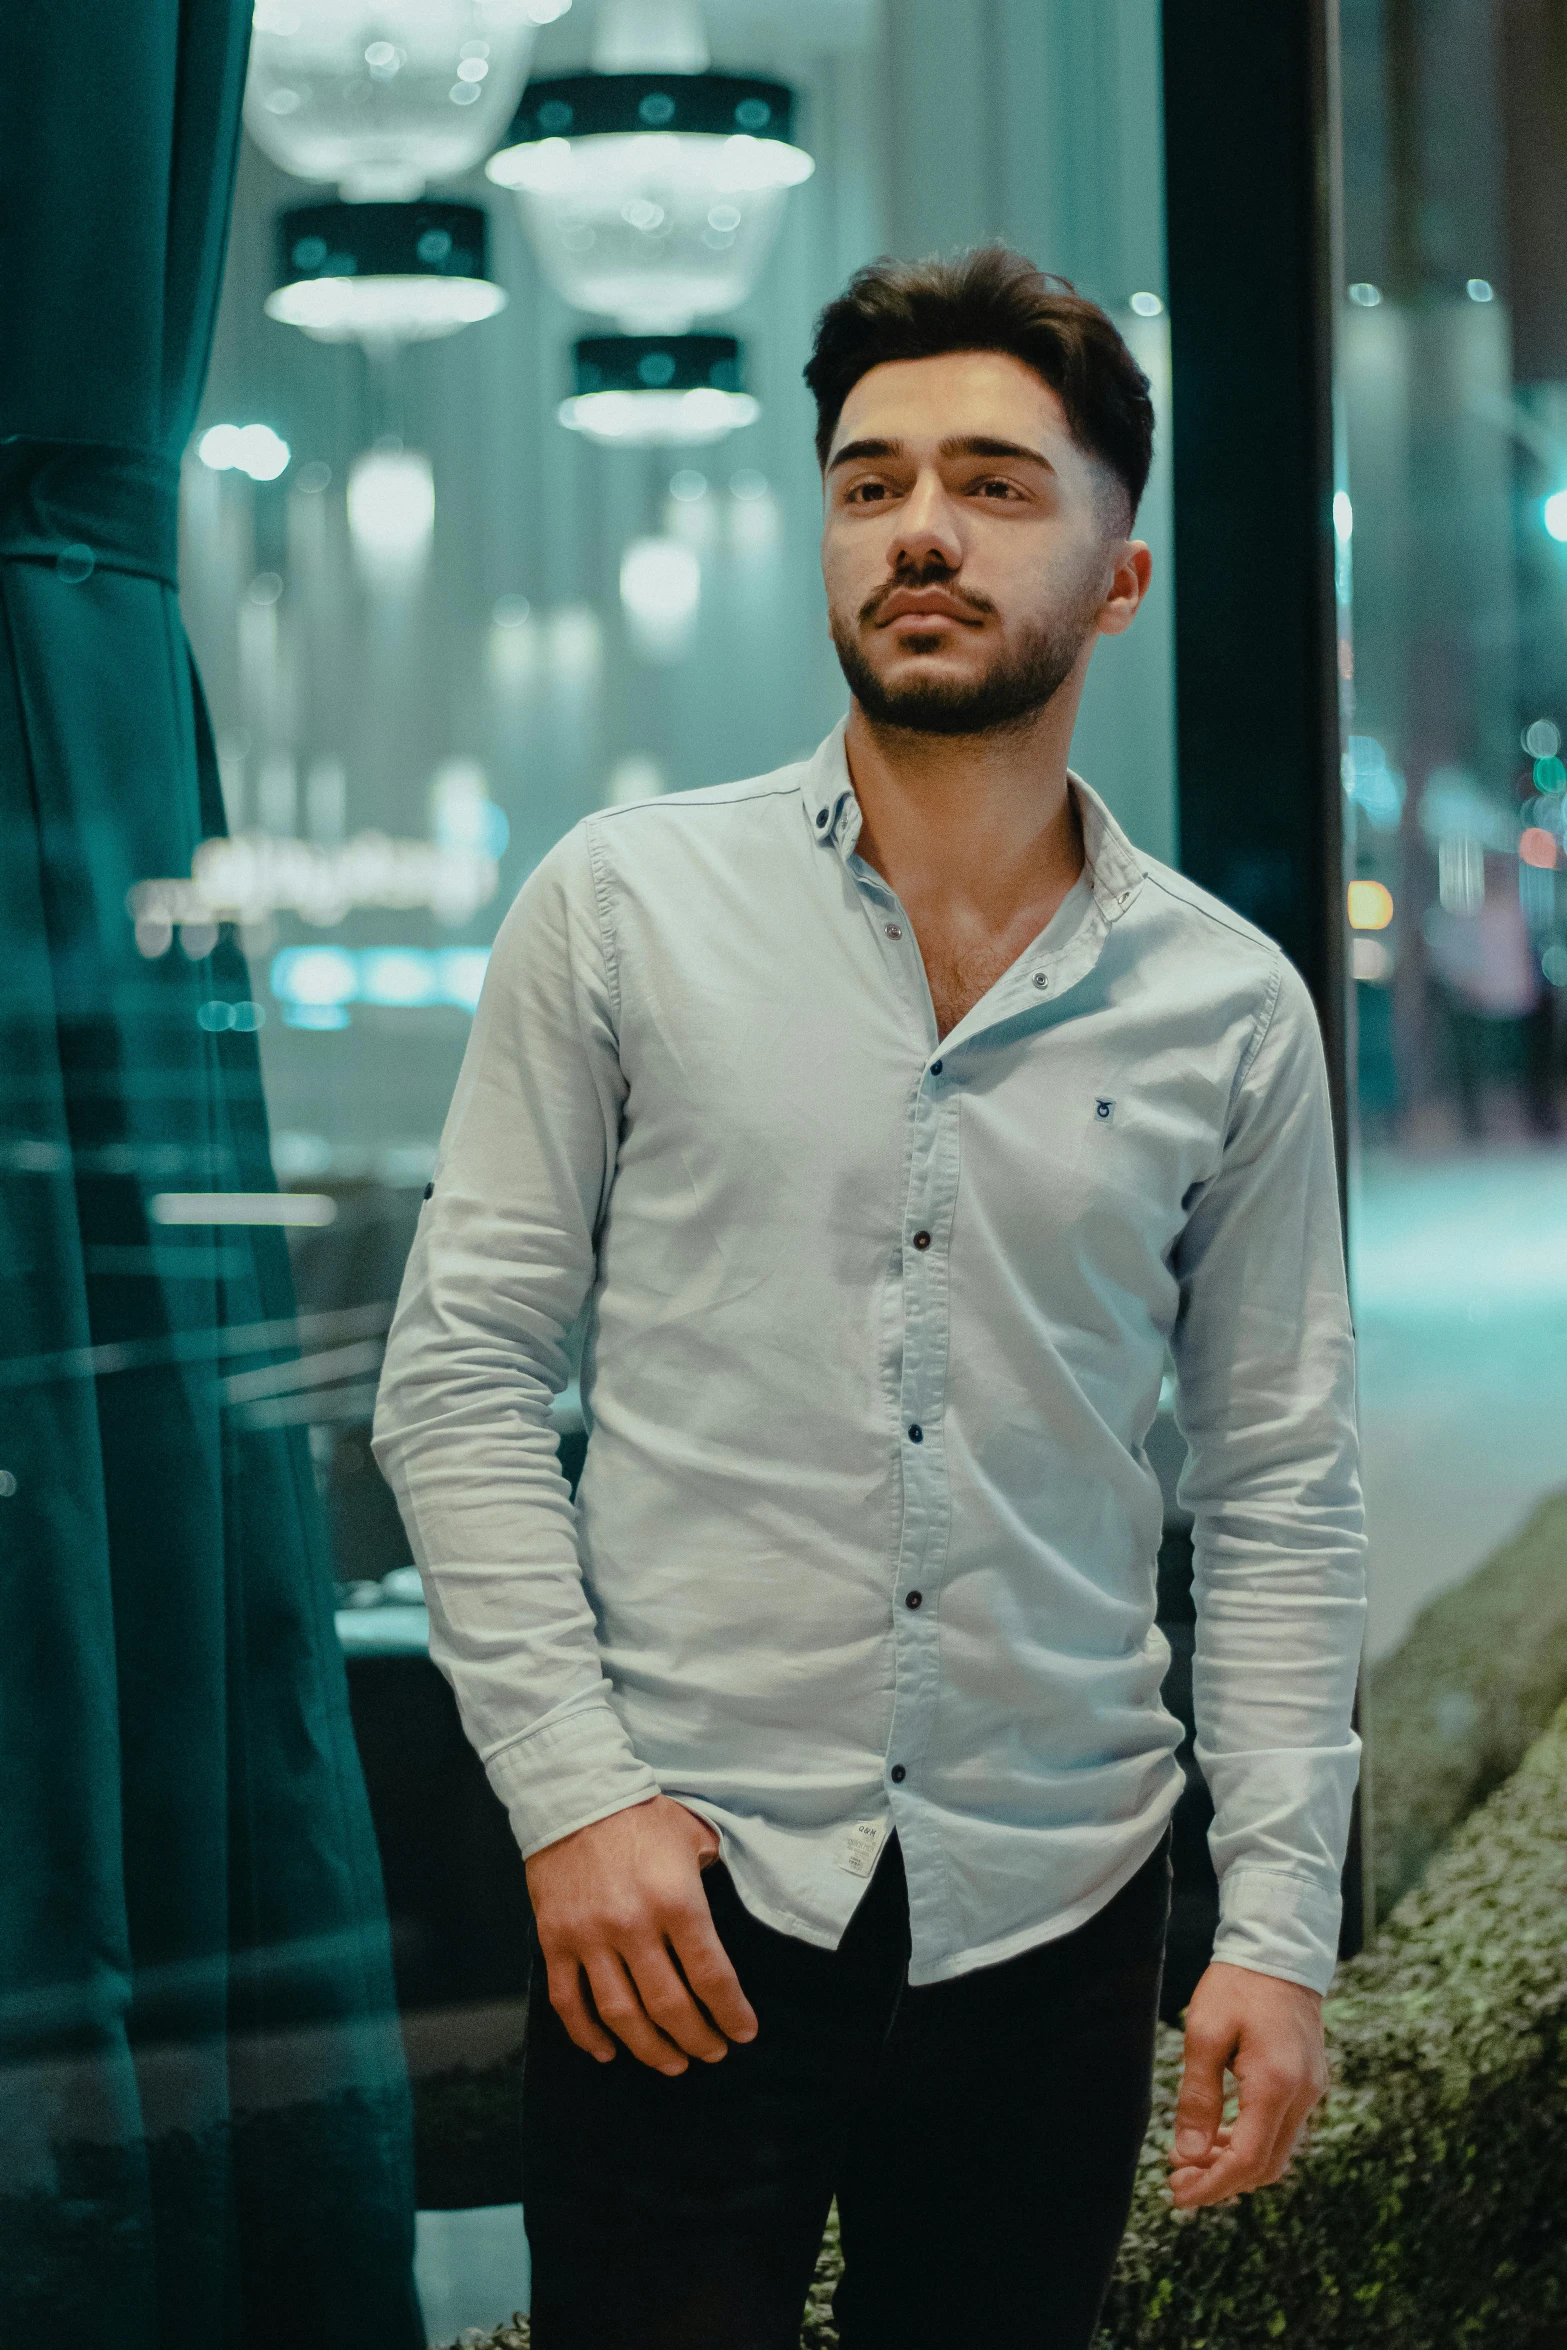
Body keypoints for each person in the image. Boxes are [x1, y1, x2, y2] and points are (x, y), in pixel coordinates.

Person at [372, 246, 1366, 2349]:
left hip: (1062, 1912)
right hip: (679, 1897)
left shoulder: (1230, 1009)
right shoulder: (624, 907)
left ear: (1122, 572)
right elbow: (456, 1375)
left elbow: (1279, 1482)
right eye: (870, 477)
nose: (918, 524)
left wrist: (1272, 1922)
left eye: (998, 481)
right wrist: (574, 1796)